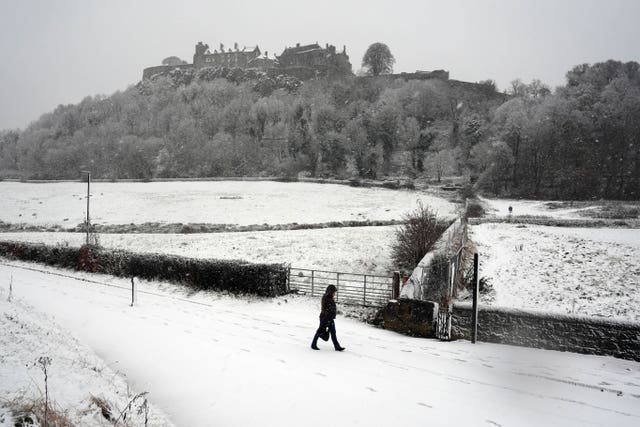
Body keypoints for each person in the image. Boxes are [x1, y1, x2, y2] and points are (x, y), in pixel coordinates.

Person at [311, 284, 345, 351]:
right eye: (334, 292)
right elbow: (324, 309)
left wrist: (334, 313)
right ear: (330, 291)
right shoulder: (325, 297)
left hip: (330, 318)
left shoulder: (330, 298)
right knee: (320, 331)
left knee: (333, 332)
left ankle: (337, 346)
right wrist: (327, 316)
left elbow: (331, 307)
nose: (335, 293)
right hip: (324, 318)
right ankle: (313, 344)